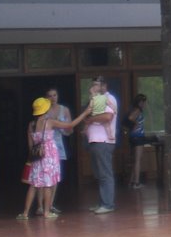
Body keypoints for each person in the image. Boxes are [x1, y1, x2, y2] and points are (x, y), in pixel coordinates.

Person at [18, 96, 90, 221]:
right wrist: (85, 113)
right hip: (49, 155)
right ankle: (46, 212)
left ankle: (25, 213)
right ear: (45, 110)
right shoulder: (49, 122)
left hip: (36, 156)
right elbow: (70, 125)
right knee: (48, 184)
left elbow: (31, 145)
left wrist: (33, 157)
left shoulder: (31, 124)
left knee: (33, 185)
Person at [84, 76, 118, 214]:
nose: (93, 88)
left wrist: (90, 120)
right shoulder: (97, 100)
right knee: (100, 174)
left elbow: (107, 117)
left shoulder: (109, 99)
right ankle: (103, 202)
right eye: (92, 85)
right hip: (95, 141)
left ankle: (108, 204)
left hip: (103, 141)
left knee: (105, 173)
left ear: (104, 86)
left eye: (96, 85)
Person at [37, 88, 71, 216]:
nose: (53, 98)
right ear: (46, 97)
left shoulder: (65, 110)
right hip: (44, 147)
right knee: (42, 177)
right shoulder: (42, 111)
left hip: (58, 146)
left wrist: (60, 124)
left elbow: (69, 130)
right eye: (50, 95)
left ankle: (50, 205)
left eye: (55, 95)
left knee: (55, 177)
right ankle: (40, 206)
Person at [125, 94, 149, 188]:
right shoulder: (138, 110)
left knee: (135, 159)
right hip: (138, 136)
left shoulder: (134, 109)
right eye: (144, 102)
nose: (145, 104)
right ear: (141, 102)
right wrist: (136, 124)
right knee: (138, 159)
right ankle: (136, 182)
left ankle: (131, 181)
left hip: (133, 136)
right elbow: (130, 118)